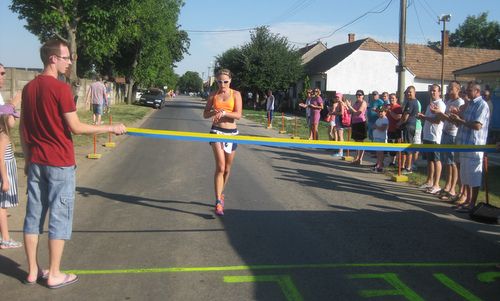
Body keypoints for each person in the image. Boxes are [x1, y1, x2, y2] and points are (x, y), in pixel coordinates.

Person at [20, 38, 126, 288]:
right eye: (66, 57)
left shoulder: (28, 88)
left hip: (36, 161)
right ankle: (54, 273)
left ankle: (33, 271)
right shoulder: (60, 89)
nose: (69, 62)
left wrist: (27, 160)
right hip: (59, 164)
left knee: (33, 216)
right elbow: (76, 128)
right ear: (52, 59)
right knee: (59, 217)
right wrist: (112, 127)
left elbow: (25, 128)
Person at [203, 69, 242, 216]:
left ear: (230, 80)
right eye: (219, 81)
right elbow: (205, 113)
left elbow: (238, 115)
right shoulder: (213, 94)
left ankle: (221, 193)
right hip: (217, 131)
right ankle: (218, 201)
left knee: (227, 169)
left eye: (225, 81)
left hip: (232, 133)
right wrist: (215, 111)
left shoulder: (236, 94)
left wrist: (225, 113)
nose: (222, 84)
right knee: (220, 166)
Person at [449, 82, 490, 213]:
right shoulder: (470, 104)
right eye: (466, 90)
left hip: (474, 146)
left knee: (474, 177)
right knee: (465, 176)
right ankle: (466, 200)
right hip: (463, 144)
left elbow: (477, 125)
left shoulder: (482, 105)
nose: (466, 92)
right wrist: (457, 117)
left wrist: (460, 120)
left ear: (477, 91)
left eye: (469, 90)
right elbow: (463, 122)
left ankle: (472, 203)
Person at [430, 81, 464, 201]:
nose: (449, 90)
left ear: (457, 89)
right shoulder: (449, 102)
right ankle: (447, 185)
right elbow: (445, 119)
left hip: (453, 134)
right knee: (447, 162)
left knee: (452, 162)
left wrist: (440, 114)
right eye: (448, 88)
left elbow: (455, 120)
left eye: (451, 88)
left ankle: (452, 189)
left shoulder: (460, 102)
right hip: (445, 132)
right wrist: (437, 113)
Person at [417, 84, 446, 194]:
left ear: (439, 92)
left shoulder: (440, 104)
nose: (432, 93)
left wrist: (424, 118)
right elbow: (429, 119)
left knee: (436, 160)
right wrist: (422, 116)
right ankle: (429, 181)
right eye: (431, 91)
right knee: (429, 160)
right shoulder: (431, 104)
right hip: (427, 135)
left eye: (434, 91)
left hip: (435, 136)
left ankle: (436, 184)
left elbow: (438, 120)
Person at [0, 105, 21, 250]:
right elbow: (0, 158)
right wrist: (5, 179)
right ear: (6, 118)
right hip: (4, 172)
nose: (15, 120)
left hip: (6, 170)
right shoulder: (3, 136)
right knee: (2, 205)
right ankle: (6, 239)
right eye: (13, 117)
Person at [399, 86, 422, 174]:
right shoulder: (411, 101)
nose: (408, 94)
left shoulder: (412, 102)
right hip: (410, 126)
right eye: (407, 92)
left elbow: (405, 117)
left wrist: (399, 123)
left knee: (408, 147)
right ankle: (405, 166)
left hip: (409, 126)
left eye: (410, 92)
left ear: (414, 92)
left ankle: (408, 167)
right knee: (406, 147)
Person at [344, 89, 367, 165]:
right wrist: (347, 106)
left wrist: (350, 106)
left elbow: (357, 113)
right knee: (356, 142)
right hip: (355, 123)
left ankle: (360, 159)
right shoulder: (356, 102)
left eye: (360, 95)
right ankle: (357, 158)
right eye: (357, 95)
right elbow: (350, 112)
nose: (358, 96)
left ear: (363, 96)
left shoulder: (363, 103)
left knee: (360, 142)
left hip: (361, 123)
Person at [386, 93, 403, 166]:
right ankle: (392, 162)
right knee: (391, 146)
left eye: (393, 98)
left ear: (396, 99)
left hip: (396, 129)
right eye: (390, 98)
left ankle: (398, 163)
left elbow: (398, 117)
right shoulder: (388, 107)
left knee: (397, 147)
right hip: (389, 129)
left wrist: (390, 111)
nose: (391, 99)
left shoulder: (398, 107)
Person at [372, 106, 389, 172]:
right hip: (376, 137)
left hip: (381, 138)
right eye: (379, 111)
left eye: (382, 111)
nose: (380, 113)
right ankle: (378, 163)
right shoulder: (378, 119)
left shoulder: (385, 119)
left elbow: (383, 128)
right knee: (378, 153)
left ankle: (380, 166)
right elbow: (373, 127)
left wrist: (376, 127)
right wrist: (375, 127)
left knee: (380, 153)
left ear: (385, 112)